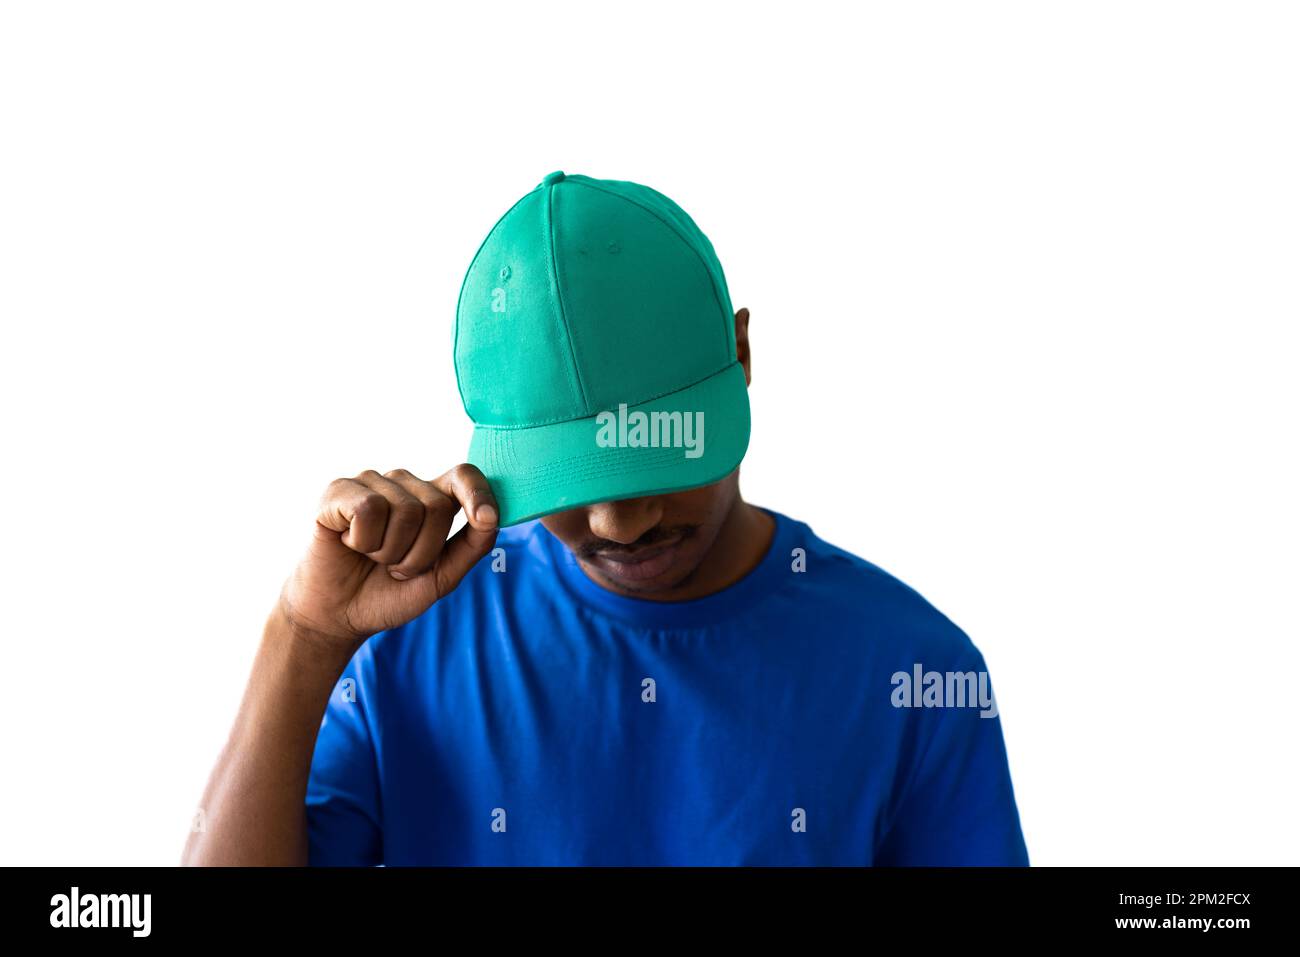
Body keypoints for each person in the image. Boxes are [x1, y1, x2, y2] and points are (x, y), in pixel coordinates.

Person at [182, 171, 1029, 866]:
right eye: (570, 480)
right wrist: (305, 632)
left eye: (661, 457)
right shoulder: (405, 644)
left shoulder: (915, 672)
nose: (621, 522)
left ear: (740, 358)